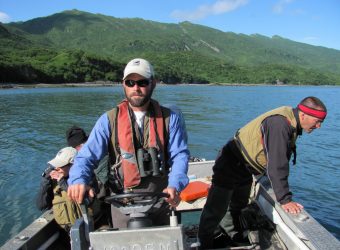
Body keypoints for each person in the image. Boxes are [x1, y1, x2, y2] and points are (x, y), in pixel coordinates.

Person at [67, 58, 190, 228]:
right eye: (130, 82)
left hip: (162, 199)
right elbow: (86, 157)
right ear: (123, 84)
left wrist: (175, 184)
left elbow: (179, 155)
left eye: (142, 82)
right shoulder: (108, 120)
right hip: (122, 203)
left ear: (153, 83)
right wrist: (78, 179)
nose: (136, 88)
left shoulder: (171, 118)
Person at [198, 96, 327, 249]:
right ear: (303, 114)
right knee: (216, 207)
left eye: (321, 122)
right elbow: (277, 164)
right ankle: (205, 243)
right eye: (317, 121)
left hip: (245, 167)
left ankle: (231, 235)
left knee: (238, 204)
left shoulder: (292, 121)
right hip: (231, 162)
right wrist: (285, 199)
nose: (318, 126)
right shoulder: (280, 124)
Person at [36, 147, 82, 231]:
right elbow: (41, 206)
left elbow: (82, 197)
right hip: (67, 230)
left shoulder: (84, 177)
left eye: (60, 165)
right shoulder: (54, 182)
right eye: (55, 165)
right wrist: (45, 182)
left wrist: (62, 182)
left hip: (88, 226)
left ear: (73, 165)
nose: (57, 168)